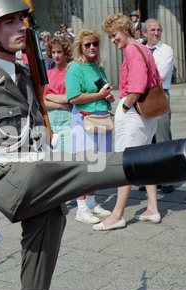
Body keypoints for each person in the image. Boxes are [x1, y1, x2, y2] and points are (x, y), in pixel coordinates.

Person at [0, 0, 186, 290]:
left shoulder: (23, 75)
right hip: (10, 179)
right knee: (87, 163)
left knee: (44, 249)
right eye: (9, 21)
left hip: (35, 176)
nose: (21, 26)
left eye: (21, 19)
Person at [93, 13, 161, 231]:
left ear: (125, 30)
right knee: (145, 159)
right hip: (148, 113)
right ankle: (152, 208)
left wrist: (123, 107)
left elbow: (138, 85)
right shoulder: (143, 48)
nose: (113, 40)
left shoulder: (132, 50)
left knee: (125, 162)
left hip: (134, 113)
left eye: (114, 35)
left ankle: (117, 215)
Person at [65, 28, 114, 224]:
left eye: (95, 43)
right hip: (84, 121)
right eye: (88, 44)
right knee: (86, 164)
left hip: (101, 119)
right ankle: (81, 208)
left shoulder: (98, 67)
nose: (92, 47)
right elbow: (74, 97)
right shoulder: (75, 68)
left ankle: (92, 203)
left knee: (97, 165)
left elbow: (101, 94)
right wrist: (101, 95)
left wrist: (107, 97)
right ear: (80, 47)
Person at [143, 18, 176, 194]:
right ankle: (149, 178)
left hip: (160, 96)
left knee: (162, 137)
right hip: (142, 98)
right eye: (152, 30)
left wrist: (141, 76)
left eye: (158, 30)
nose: (156, 33)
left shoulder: (166, 50)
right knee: (146, 139)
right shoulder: (140, 49)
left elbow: (160, 75)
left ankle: (168, 177)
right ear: (144, 33)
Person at [43, 36, 73, 152]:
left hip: (68, 121)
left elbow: (69, 98)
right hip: (50, 121)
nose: (56, 55)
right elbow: (42, 102)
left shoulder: (71, 71)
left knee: (69, 156)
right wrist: (60, 105)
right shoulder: (47, 74)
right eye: (53, 52)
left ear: (65, 52)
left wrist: (49, 96)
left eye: (59, 52)